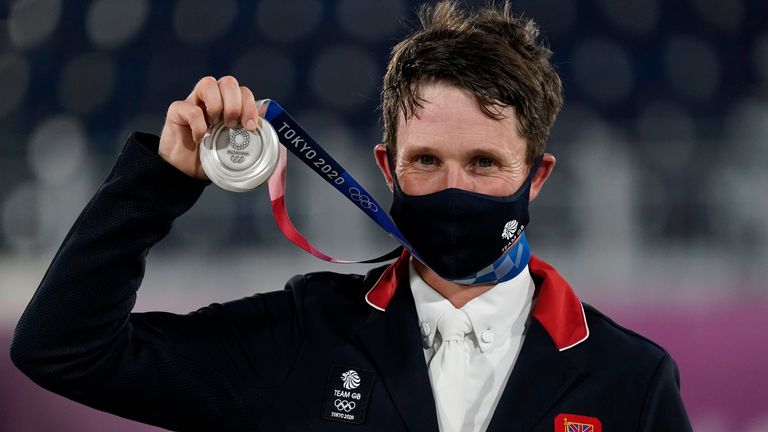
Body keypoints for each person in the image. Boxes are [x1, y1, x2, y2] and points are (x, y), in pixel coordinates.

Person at [10, 1, 692, 431]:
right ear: (387, 169)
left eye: (484, 163)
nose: (453, 189)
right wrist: (156, 185)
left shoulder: (628, 379)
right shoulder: (302, 337)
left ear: (536, 177)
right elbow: (63, 350)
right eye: (426, 161)